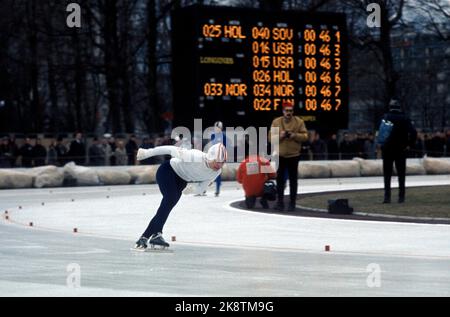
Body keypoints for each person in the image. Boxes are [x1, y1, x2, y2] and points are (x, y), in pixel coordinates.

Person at [133, 142, 227, 250]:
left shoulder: (217, 171)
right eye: (217, 162)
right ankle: (151, 235)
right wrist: (147, 153)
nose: (219, 165)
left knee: (167, 207)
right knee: (170, 200)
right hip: (167, 171)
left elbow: (203, 186)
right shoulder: (195, 156)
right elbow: (170, 149)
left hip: (182, 180)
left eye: (222, 163)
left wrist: (193, 190)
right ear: (211, 157)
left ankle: (149, 236)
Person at [270, 101, 308, 211]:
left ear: (293, 111)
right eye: (287, 111)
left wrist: (294, 135)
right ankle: (280, 202)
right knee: (280, 180)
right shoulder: (276, 122)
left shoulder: (299, 122)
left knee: (293, 180)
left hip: (294, 155)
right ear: (283, 111)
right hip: (280, 155)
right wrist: (280, 136)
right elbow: (270, 138)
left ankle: (292, 203)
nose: (289, 113)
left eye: (290, 111)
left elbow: (305, 136)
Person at [380, 99, 417, 204]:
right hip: (401, 149)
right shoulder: (405, 118)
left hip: (387, 149)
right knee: (401, 174)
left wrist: (382, 145)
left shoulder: (386, 117)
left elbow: (382, 133)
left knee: (387, 174)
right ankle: (401, 197)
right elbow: (414, 133)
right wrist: (409, 144)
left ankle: (387, 197)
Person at [211, 121, 226, 197]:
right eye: (216, 128)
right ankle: (203, 188)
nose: (217, 129)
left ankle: (217, 189)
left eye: (218, 128)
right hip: (213, 156)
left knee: (217, 173)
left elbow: (225, 147)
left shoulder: (223, 136)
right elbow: (211, 146)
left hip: (219, 157)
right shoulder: (213, 135)